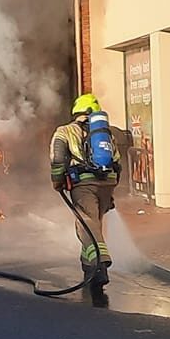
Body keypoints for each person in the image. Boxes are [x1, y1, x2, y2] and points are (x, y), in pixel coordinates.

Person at [51, 94, 119, 307]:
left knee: (86, 224)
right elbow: (118, 163)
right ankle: (90, 269)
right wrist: (112, 190)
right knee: (93, 225)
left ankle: (101, 262)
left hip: (84, 184)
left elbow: (58, 158)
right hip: (107, 183)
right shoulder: (106, 135)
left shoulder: (65, 131)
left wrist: (57, 180)